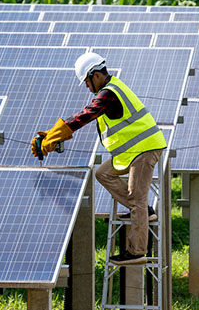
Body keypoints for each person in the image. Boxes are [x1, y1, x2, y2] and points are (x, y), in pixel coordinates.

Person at [31, 52, 166, 265]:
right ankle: (140, 211)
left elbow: (86, 115)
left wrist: (56, 135)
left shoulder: (109, 94)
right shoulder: (110, 89)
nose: (86, 86)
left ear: (96, 75)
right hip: (132, 152)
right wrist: (51, 134)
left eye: (86, 81)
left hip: (145, 149)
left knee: (137, 197)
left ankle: (137, 251)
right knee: (103, 173)